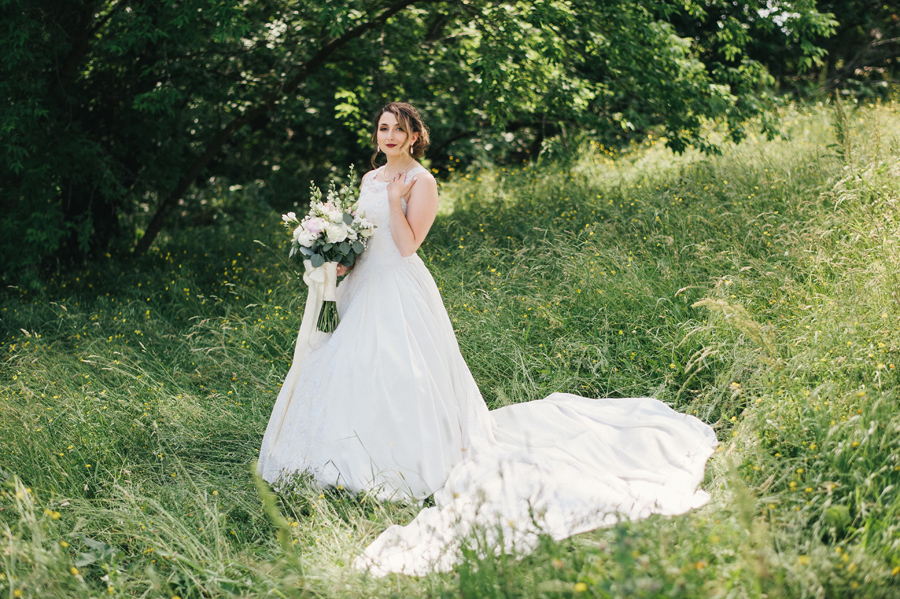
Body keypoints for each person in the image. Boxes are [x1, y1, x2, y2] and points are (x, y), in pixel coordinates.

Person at [257, 102, 718, 576]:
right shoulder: (369, 179)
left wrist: (397, 200)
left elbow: (406, 244)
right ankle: (347, 455)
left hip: (397, 288)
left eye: (399, 129)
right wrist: (338, 257)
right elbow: (363, 238)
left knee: (398, 369)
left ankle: (405, 459)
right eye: (382, 128)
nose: (389, 136)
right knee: (355, 367)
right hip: (362, 286)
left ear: (415, 135)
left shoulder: (422, 181)